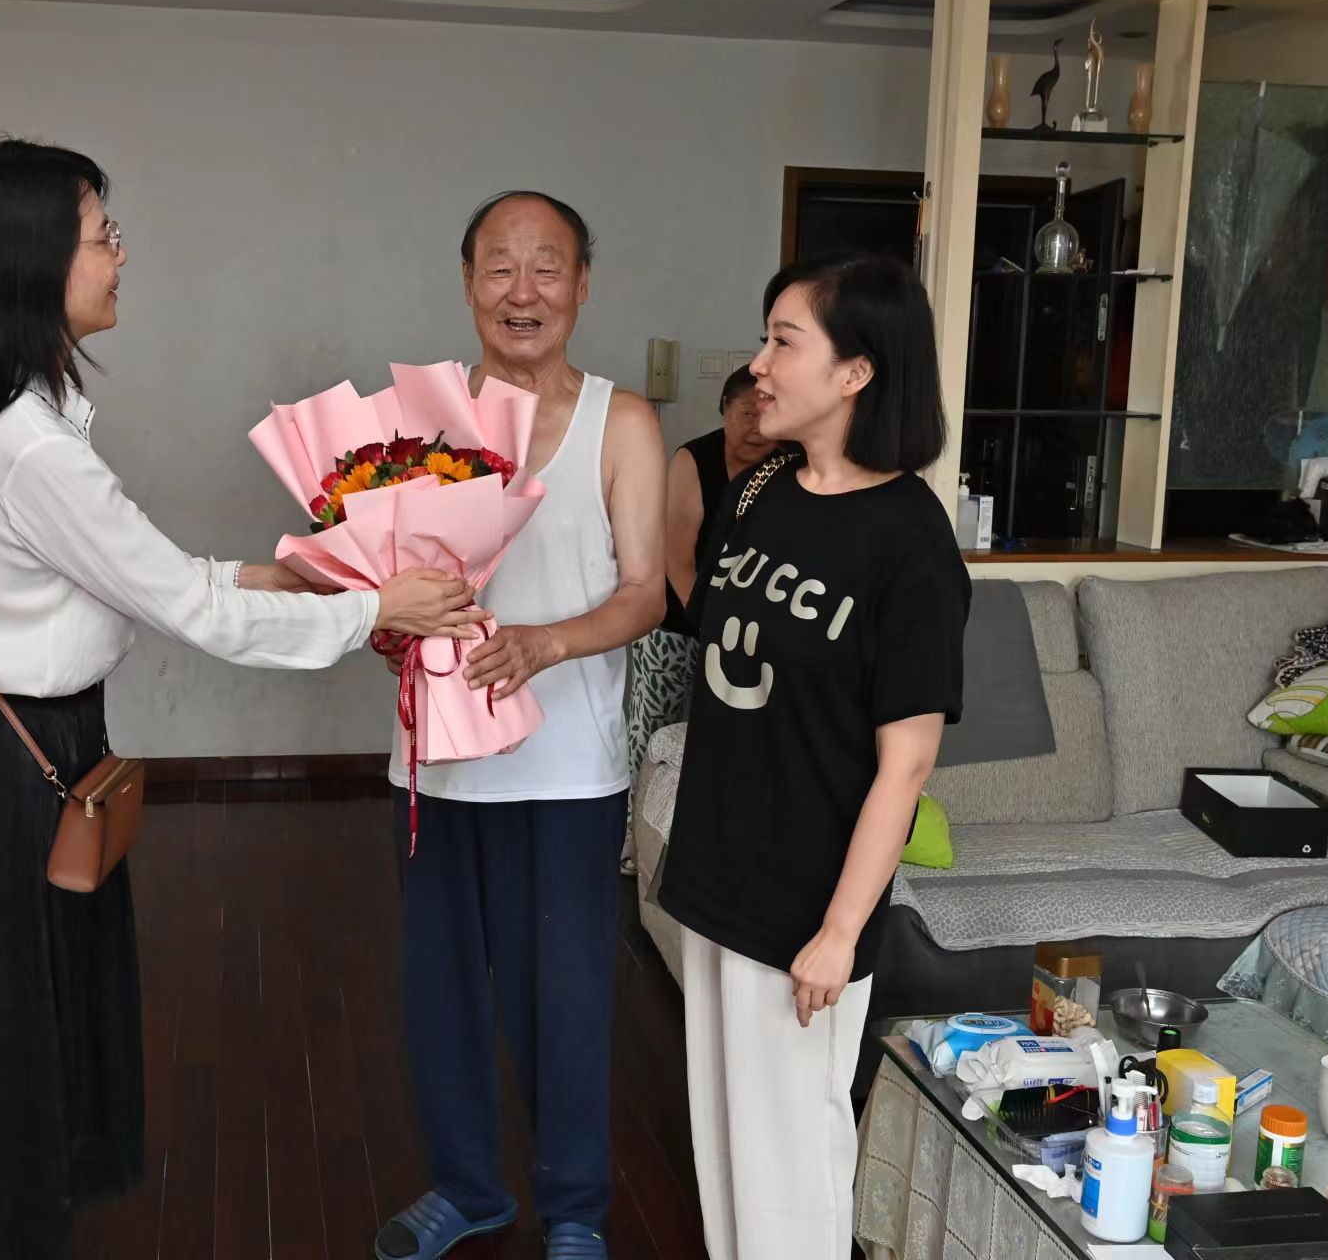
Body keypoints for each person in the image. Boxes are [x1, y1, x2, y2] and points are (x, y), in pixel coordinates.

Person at [0, 138, 481, 1260]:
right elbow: (186, 608)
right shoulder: (28, 447)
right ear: (34, 260)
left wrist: (280, 575)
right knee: (3, 1039)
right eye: (103, 235)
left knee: (11, 1030)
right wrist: (376, 610)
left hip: (11, 743)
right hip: (6, 766)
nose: (121, 256)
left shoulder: (19, 413)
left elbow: (139, 576)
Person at [658, 253, 969, 1260]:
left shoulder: (911, 543)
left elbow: (906, 764)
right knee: (725, 1150)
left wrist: (839, 932)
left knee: (791, 1166)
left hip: (801, 902)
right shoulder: (761, 489)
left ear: (856, 372)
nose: (759, 364)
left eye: (783, 341)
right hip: (717, 869)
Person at [374, 191, 666, 1260]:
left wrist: (546, 643)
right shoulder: (419, 424)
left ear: (582, 286)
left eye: (548, 266)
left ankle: (575, 1206)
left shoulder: (622, 424)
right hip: (437, 764)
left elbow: (645, 593)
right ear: (467, 285)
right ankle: (466, 1187)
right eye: (499, 266)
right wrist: (385, 624)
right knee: (442, 989)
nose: (523, 290)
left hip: (568, 768)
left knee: (568, 999)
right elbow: (386, 577)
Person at [620, 365, 776, 873]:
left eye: (766, 413)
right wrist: (709, 625)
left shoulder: (786, 466)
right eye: (745, 413)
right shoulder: (694, 459)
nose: (756, 427)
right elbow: (677, 556)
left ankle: (701, 844)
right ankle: (634, 841)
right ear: (724, 411)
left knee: (720, 737)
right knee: (654, 730)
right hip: (678, 623)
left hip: (749, 636)